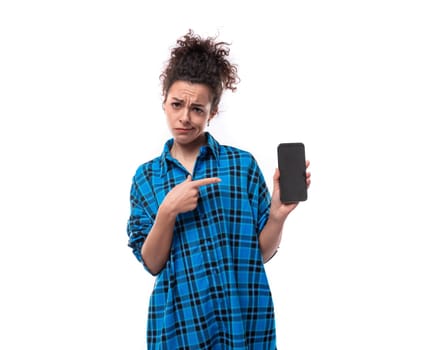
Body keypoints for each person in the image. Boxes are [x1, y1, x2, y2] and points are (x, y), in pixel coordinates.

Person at [127, 30, 311, 350]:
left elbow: (260, 254)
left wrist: (278, 216)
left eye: (197, 109)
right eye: (177, 104)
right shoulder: (147, 177)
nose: (185, 117)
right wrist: (168, 210)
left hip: (244, 321)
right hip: (178, 327)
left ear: (212, 112)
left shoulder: (240, 167)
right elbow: (152, 263)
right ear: (164, 101)